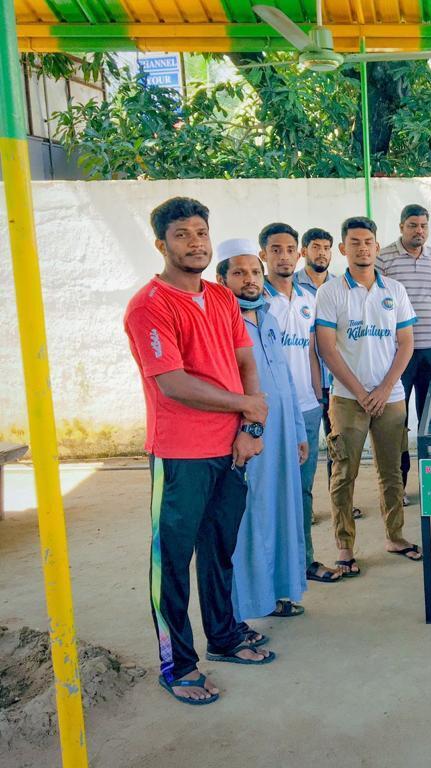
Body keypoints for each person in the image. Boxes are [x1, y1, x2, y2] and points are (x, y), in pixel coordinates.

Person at [124, 197, 274, 706]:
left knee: (218, 550)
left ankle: (224, 637)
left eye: (201, 233)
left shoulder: (222, 299)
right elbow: (173, 383)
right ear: (161, 244)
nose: (195, 243)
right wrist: (246, 405)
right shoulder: (149, 305)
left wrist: (250, 425)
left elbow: (245, 362)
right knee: (171, 563)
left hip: (230, 449)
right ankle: (177, 665)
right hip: (180, 454)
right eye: (182, 235)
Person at [216, 239, 322, 622]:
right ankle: (247, 606)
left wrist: (298, 432)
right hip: (248, 436)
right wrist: (247, 430)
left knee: (282, 511)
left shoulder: (270, 318)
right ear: (222, 279)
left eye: (254, 273)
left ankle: (278, 593)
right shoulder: (221, 324)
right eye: (239, 273)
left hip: (281, 436)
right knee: (251, 518)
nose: (249, 280)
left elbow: (286, 381)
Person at [316, 216, 422, 577]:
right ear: (343, 249)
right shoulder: (330, 292)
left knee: (392, 472)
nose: (362, 248)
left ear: (377, 247)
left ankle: (395, 536)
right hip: (348, 398)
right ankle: (345, 547)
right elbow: (327, 349)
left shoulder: (395, 290)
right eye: (355, 242)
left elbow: (406, 344)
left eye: (368, 242)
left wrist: (384, 388)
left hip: (390, 397)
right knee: (343, 472)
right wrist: (362, 393)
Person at [258, 223, 335, 584]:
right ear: (263, 255)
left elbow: (312, 352)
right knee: (268, 492)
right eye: (276, 250)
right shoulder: (257, 300)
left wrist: (319, 398)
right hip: (269, 412)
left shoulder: (308, 299)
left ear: (299, 254)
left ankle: (304, 562)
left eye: (290, 249)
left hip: (306, 409)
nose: (284, 257)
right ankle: (269, 572)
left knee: (302, 491)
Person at [376, 204, 431, 495]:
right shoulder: (384, 258)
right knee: (397, 421)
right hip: (397, 354)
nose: (419, 231)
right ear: (401, 227)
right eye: (413, 225)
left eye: (423, 226)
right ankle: (399, 486)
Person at [294, 227, 342, 496]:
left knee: (338, 444)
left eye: (326, 248)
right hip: (304, 381)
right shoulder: (291, 285)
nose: (322, 253)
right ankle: (305, 505)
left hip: (336, 379)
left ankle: (339, 502)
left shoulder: (339, 285)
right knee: (305, 448)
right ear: (304, 252)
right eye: (316, 247)